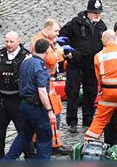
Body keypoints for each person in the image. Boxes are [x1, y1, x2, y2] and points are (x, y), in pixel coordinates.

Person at [84, 30, 117, 157]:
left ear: (104, 40)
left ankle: (88, 144)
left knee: (99, 120)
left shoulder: (98, 56)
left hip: (107, 94)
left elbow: (98, 78)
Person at [59, 0, 108, 133]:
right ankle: (72, 121)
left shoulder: (102, 26)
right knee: (73, 92)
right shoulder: (76, 23)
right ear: (88, 12)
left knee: (90, 93)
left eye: (98, 13)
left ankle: (88, 118)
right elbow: (61, 36)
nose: (97, 15)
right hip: (75, 63)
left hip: (91, 65)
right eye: (94, 13)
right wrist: (67, 51)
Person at [0, 32, 35, 160]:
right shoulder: (1, 54)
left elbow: (32, 78)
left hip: (18, 100)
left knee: (23, 131)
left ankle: (30, 157)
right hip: (2, 100)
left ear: (18, 41)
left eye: (11, 42)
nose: (8, 44)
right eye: (6, 41)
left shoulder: (26, 57)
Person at [4, 39, 56, 160]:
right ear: (47, 50)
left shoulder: (26, 62)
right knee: (44, 139)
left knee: (24, 135)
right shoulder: (41, 67)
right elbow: (42, 91)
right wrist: (49, 111)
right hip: (37, 107)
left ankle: (7, 160)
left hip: (24, 105)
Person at [31, 18, 69, 155]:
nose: (58, 34)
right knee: (54, 112)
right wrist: (60, 51)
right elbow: (51, 60)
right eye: (56, 31)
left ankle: (36, 141)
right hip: (46, 82)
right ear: (47, 29)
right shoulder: (42, 42)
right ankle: (54, 144)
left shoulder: (41, 39)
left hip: (45, 81)